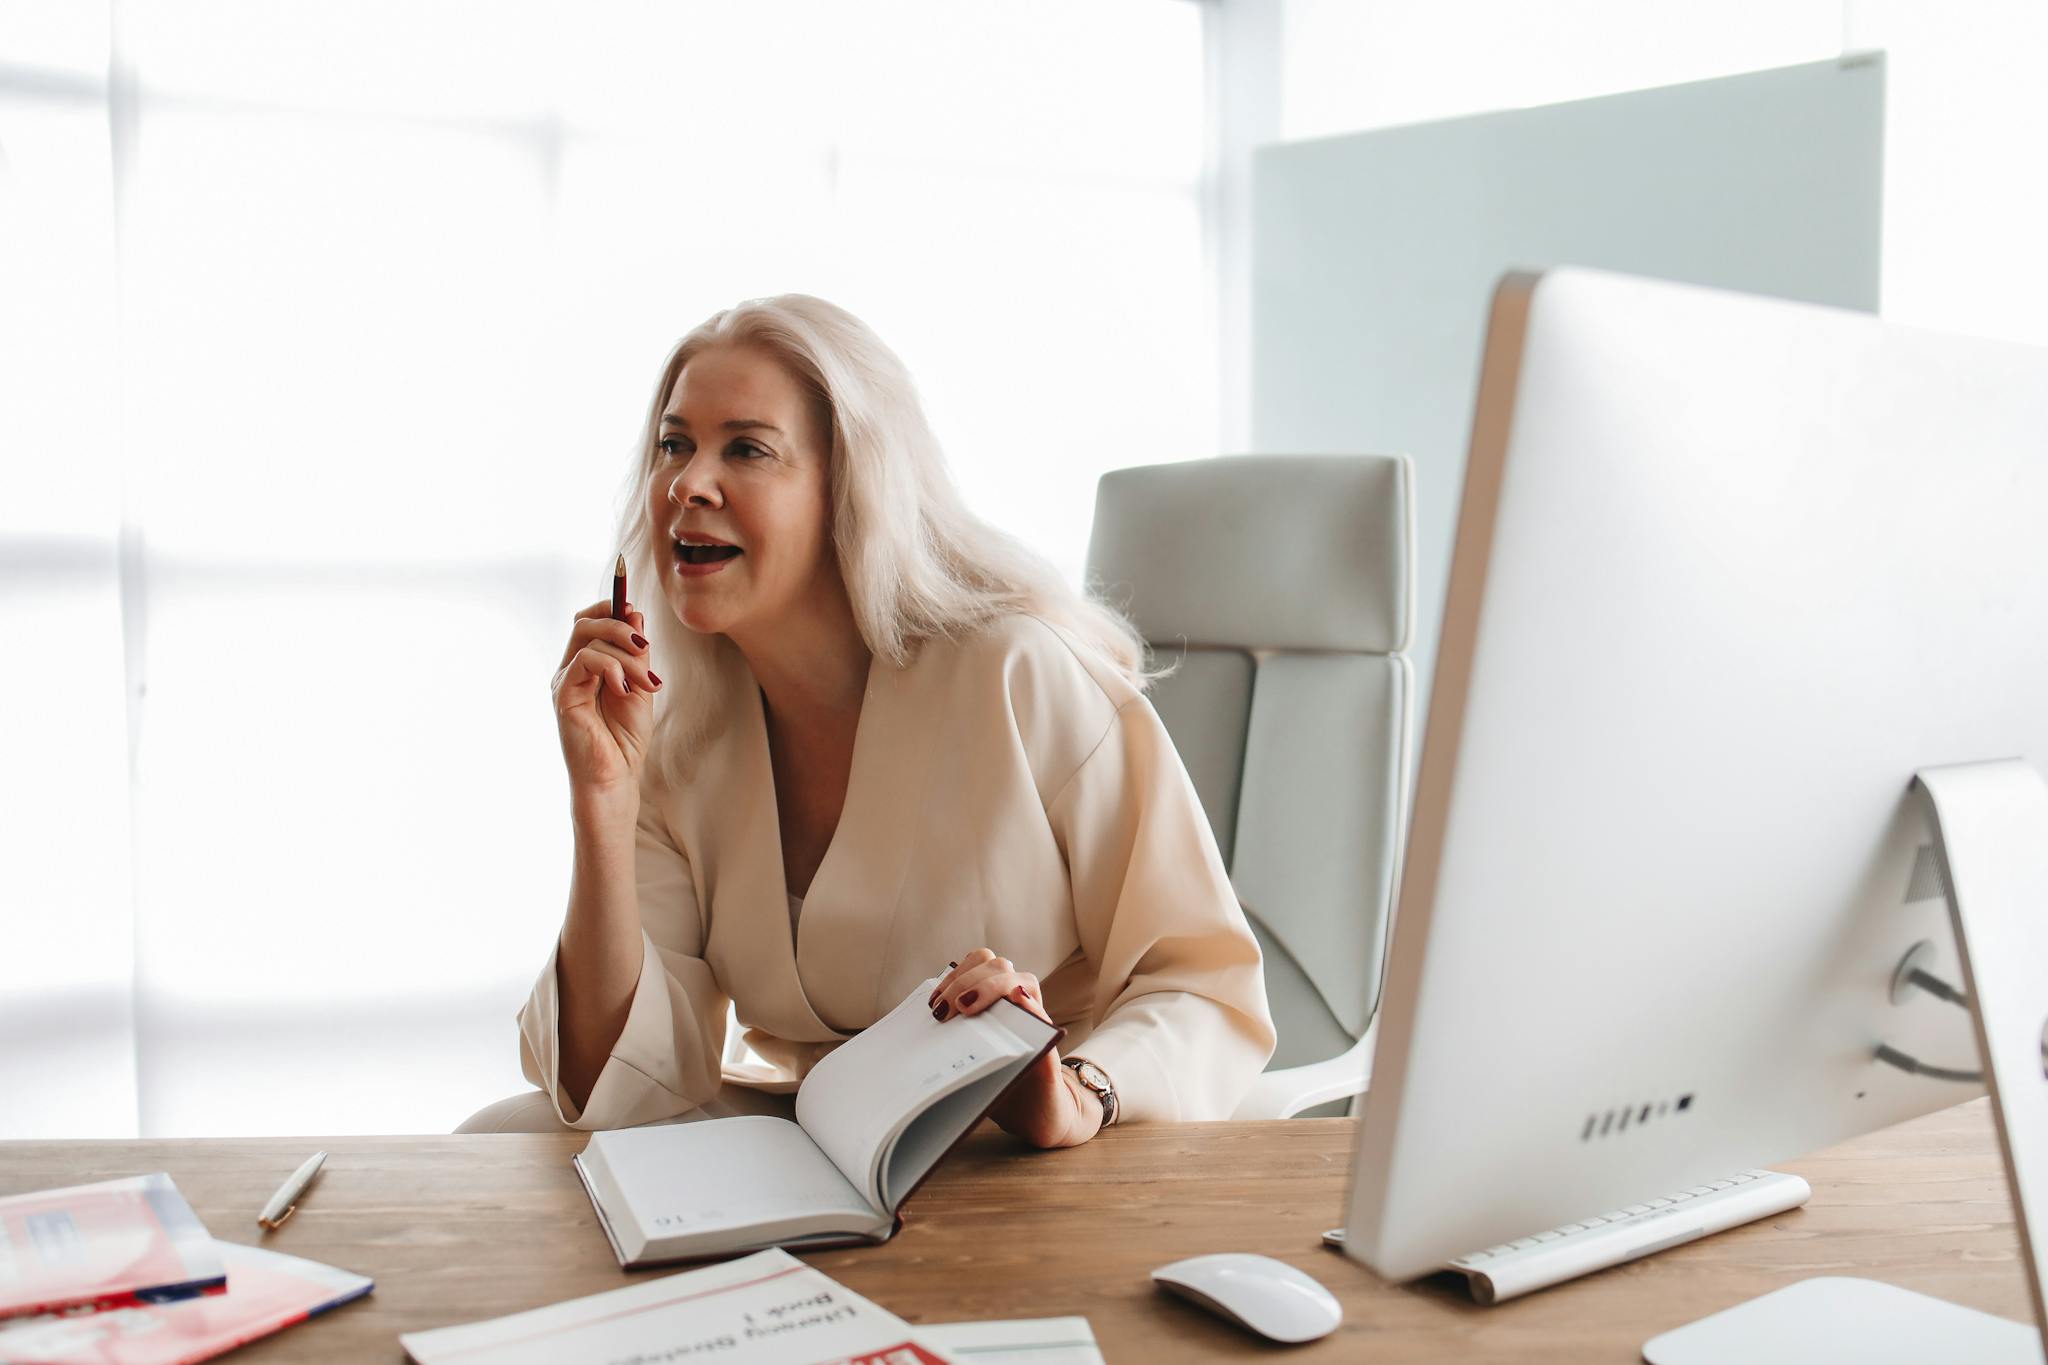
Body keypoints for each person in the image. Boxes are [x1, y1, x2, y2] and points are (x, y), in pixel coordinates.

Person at [470, 295, 1274, 1146]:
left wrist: (1078, 1093)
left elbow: (1201, 981)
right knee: (507, 1137)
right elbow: (616, 1072)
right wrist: (602, 801)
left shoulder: (1017, 671)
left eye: (746, 448)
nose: (686, 484)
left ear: (850, 486)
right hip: (825, 1134)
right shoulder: (676, 728)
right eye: (674, 444)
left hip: (1026, 1137)